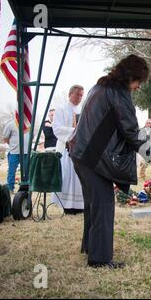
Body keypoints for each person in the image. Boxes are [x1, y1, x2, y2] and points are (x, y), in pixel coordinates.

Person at [69, 54, 149, 268]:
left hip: (81, 154)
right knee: (103, 205)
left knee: (93, 204)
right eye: (139, 81)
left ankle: (89, 246)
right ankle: (100, 259)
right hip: (94, 158)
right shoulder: (118, 93)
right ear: (131, 76)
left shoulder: (100, 86)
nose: (138, 87)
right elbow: (131, 130)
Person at [52, 85, 85, 215]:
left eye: (82, 95)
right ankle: (67, 205)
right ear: (70, 94)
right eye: (78, 94)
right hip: (66, 148)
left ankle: (80, 205)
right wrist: (76, 132)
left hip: (80, 149)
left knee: (79, 178)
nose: (80, 97)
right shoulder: (61, 109)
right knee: (67, 176)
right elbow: (57, 128)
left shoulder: (83, 109)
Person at [3, 119, 30, 193]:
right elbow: (5, 138)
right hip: (14, 152)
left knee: (26, 171)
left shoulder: (28, 123)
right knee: (12, 171)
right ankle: (10, 188)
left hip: (26, 152)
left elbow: (31, 136)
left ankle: (25, 189)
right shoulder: (10, 124)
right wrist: (13, 145)